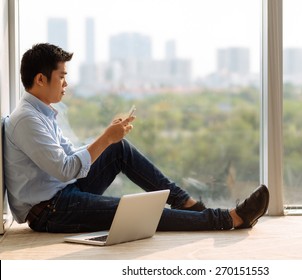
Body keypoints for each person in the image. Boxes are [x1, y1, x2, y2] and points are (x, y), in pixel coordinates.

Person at [3, 43, 269, 233]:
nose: (65, 84)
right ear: (40, 79)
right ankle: (228, 219)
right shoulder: (27, 120)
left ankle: (186, 203)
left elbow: (71, 156)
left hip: (65, 193)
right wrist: (105, 138)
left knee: (118, 148)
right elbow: (65, 169)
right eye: (61, 77)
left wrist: (109, 138)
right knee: (139, 211)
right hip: (52, 211)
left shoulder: (42, 113)